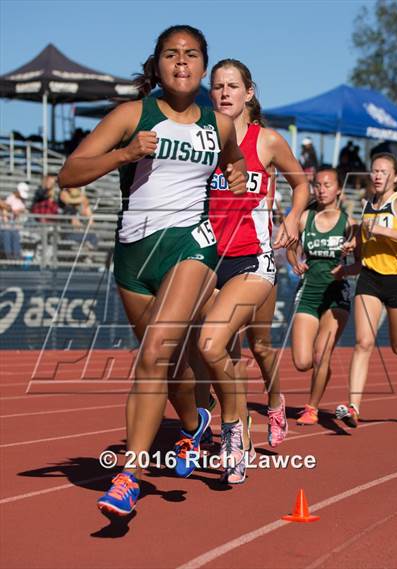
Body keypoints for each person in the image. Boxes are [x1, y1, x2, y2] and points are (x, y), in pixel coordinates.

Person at [58, 25, 247, 516]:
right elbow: (68, 174)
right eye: (170, 54)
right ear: (157, 64)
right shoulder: (131, 115)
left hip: (190, 247)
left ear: (203, 66)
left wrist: (236, 170)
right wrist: (125, 152)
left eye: (190, 55)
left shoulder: (219, 123)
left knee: (152, 355)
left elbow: (234, 158)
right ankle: (192, 426)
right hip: (133, 256)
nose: (181, 62)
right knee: (169, 372)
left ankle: (128, 477)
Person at [197, 59, 308, 483]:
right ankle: (237, 432)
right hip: (209, 260)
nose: (224, 93)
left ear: (249, 92)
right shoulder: (203, 141)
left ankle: (274, 402)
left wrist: (294, 218)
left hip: (253, 258)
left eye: (232, 86)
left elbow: (300, 183)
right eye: (217, 87)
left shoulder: (268, 142)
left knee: (257, 348)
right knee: (221, 351)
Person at [336, 153, 397, 427]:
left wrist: (385, 232)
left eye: (384, 171)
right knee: (363, 343)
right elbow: (366, 236)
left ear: (395, 177)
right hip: (370, 277)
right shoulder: (368, 204)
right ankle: (353, 407)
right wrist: (353, 245)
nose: (378, 175)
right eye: (374, 171)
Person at [287, 168, 360, 425]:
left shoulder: (349, 224)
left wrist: (346, 268)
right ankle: (322, 372)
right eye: (317, 185)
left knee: (321, 353)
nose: (321, 189)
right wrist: (295, 262)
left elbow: (361, 264)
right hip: (308, 293)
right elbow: (291, 249)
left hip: (335, 295)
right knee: (302, 361)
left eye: (327, 185)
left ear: (338, 188)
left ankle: (312, 407)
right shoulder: (304, 218)